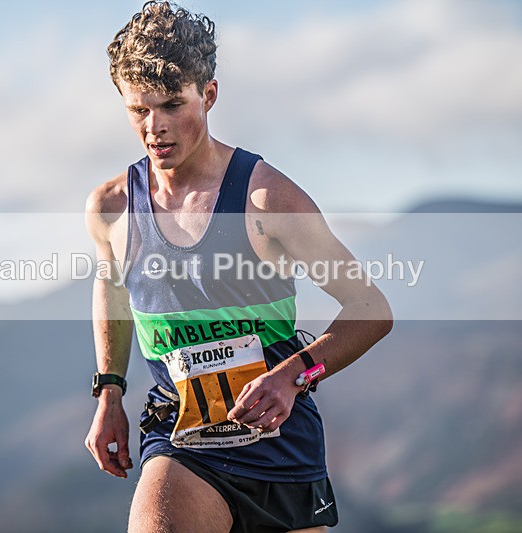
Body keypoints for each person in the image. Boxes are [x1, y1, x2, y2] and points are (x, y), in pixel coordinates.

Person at [84, 2, 393, 532]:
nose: (154, 128)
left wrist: (294, 375)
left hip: (279, 446)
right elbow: (112, 291)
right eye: (138, 109)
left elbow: (371, 309)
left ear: (208, 95)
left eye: (171, 104)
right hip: (180, 440)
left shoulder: (267, 199)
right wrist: (109, 389)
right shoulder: (113, 206)